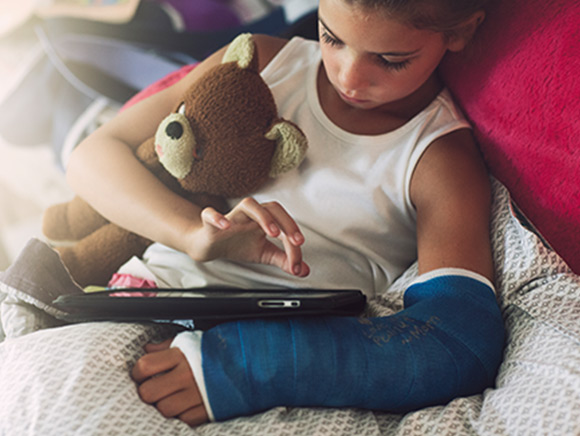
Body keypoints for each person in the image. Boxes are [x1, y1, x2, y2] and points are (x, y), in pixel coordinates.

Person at [66, 0, 504, 428]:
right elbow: (93, 156)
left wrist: (246, 365)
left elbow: (458, 341)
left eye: (390, 60)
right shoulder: (261, 60)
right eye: (331, 37)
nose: (348, 77)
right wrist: (189, 234)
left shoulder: (439, 159)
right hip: (150, 298)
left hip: (267, 363)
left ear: (460, 31)